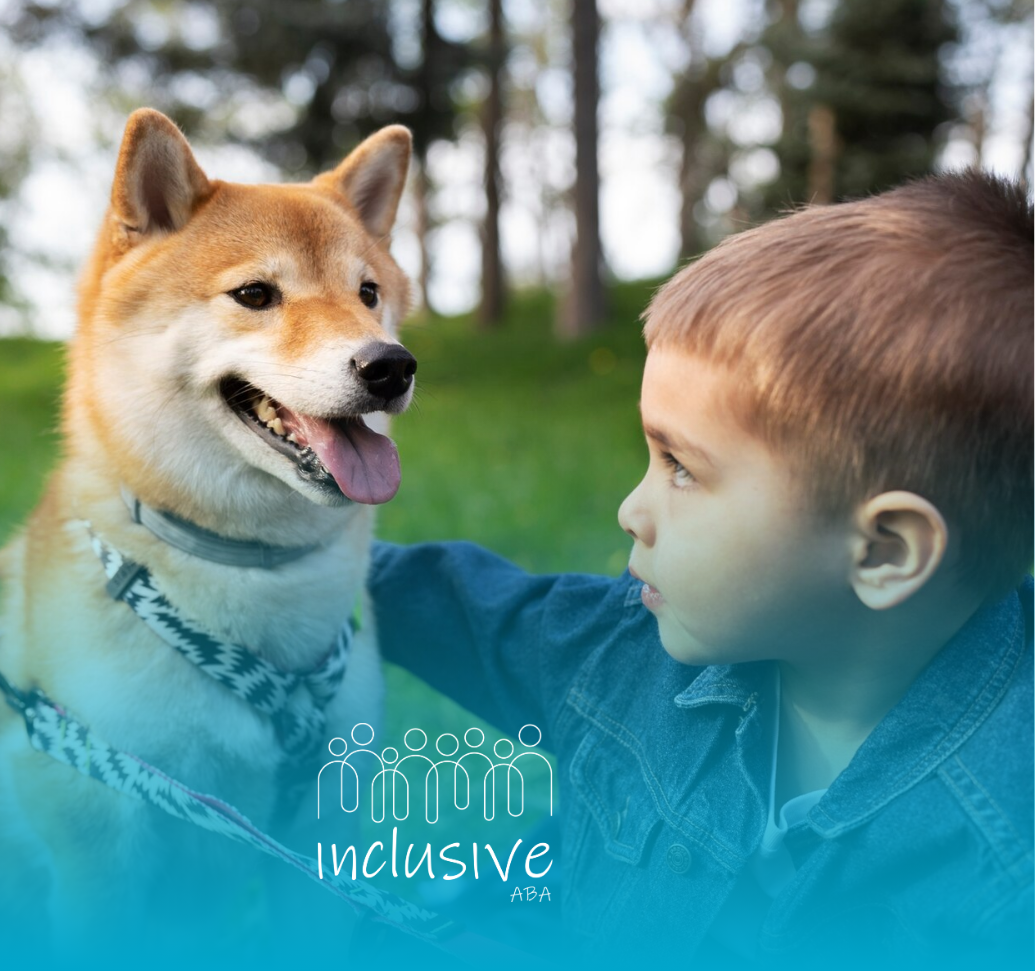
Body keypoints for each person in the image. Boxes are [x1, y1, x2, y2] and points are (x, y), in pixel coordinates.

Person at [368, 171, 1033, 969]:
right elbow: (471, 615)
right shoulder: (630, 646)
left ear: (884, 551)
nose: (630, 510)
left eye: (680, 467)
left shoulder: (1000, 867)